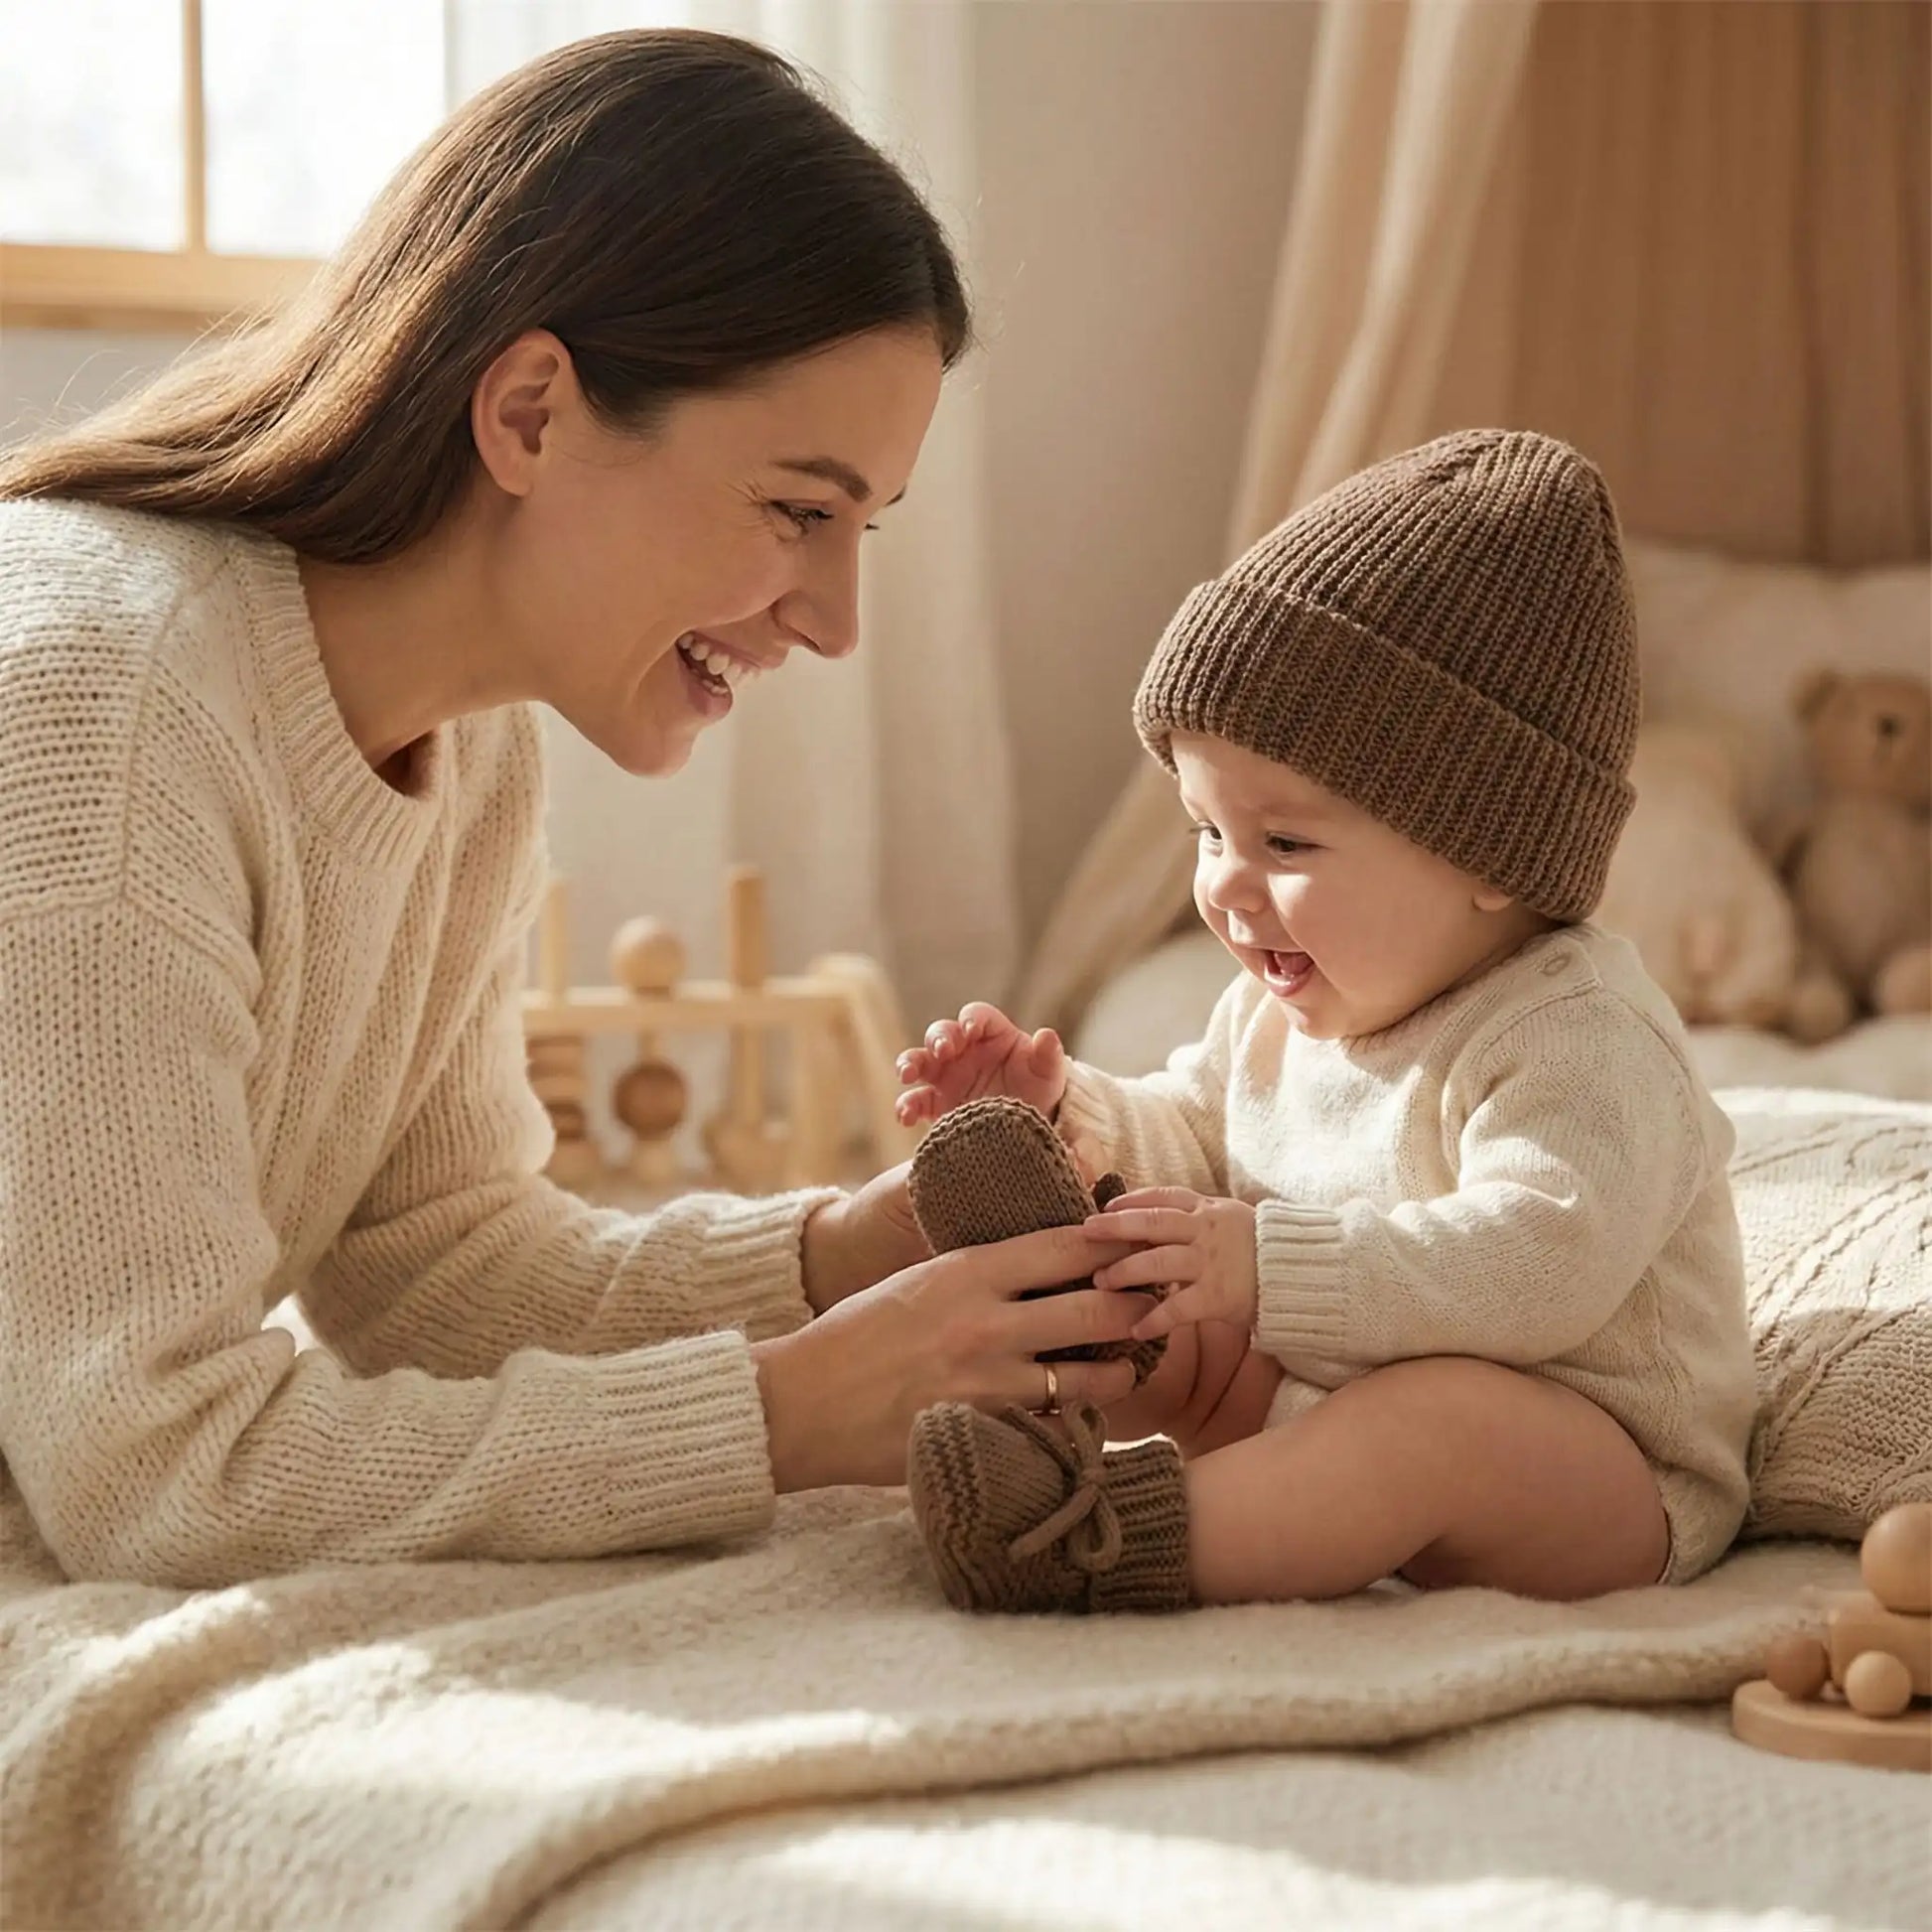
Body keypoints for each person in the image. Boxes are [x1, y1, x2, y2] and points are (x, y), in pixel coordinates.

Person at [0, 30, 1153, 1590]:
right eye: (798, 512)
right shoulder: (98, 705)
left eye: (861, 528)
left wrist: (841, 1257)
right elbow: (160, 1474)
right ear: (532, 411)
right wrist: (794, 1408)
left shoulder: (464, 748)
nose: (833, 620)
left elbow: (441, 1261)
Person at [895, 429, 1759, 1613]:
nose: (1225, 886)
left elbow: (1535, 1267)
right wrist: (1070, 1118)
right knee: (1152, 1289)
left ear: (1485, 851)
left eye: (1283, 842)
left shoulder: (1578, 1034)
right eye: (1206, 831)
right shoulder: (1276, 998)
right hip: (1324, 1386)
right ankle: (1039, 1327)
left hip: (1592, 1467)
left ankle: (1103, 1541)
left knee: (1430, 1423)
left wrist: (1259, 1263)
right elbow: (1199, 1135)